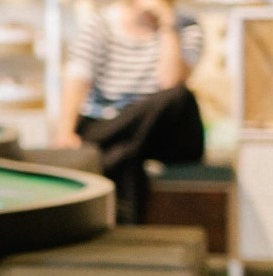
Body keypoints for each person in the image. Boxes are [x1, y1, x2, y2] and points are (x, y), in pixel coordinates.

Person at [53, 0, 206, 223]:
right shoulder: (101, 24)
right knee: (124, 152)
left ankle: (97, 144)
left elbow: (170, 81)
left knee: (179, 96)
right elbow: (77, 77)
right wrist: (65, 131)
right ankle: (129, 229)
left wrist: (167, 25)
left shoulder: (186, 26)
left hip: (160, 133)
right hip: (115, 125)